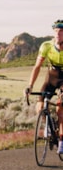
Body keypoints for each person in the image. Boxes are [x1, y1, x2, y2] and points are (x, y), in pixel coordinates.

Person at [25, 19, 63, 154]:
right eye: (56, 31)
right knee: (40, 106)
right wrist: (30, 86)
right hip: (51, 77)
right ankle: (49, 125)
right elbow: (37, 67)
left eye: (62, 31)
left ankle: (62, 139)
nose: (59, 34)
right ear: (54, 32)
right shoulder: (46, 46)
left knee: (60, 109)